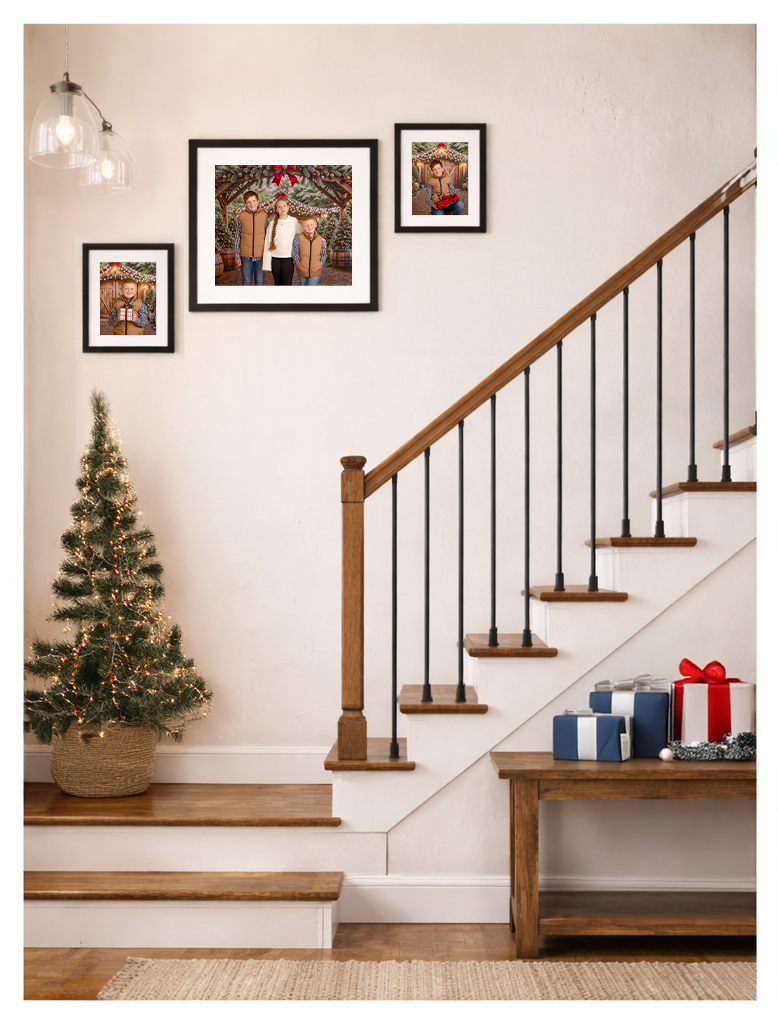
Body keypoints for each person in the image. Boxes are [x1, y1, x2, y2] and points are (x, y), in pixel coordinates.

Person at [263, 196, 304, 286]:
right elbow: (267, 243)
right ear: (276, 210)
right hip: (275, 258)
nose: (282, 208)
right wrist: (266, 264)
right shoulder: (272, 223)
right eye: (279, 207)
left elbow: (304, 235)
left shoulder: (294, 221)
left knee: (287, 283)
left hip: (288, 258)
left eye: (284, 206)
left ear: (288, 207)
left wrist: (321, 240)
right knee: (277, 283)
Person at [234, 191, 269, 286]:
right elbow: (238, 236)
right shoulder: (241, 216)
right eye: (248, 202)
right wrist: (237, 255)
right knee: (246, 281)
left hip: (260, 256)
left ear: (258, 201)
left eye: (253, 201)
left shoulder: (264, 216)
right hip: (245, 256)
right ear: (245, 203)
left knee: (259, 281)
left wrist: (267, 258)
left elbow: (267, 237)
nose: (251, 204)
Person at [292, 216, 327, 286]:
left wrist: (320, 265)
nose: (309, 227)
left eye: (311, 224)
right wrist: (299, 264)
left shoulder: (321, 239)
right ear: (303, 227)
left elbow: (324, 254)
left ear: (315, 225)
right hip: (302, 271)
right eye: (306, 225)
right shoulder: (298, 238)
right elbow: (295, 252)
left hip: (315, 272)